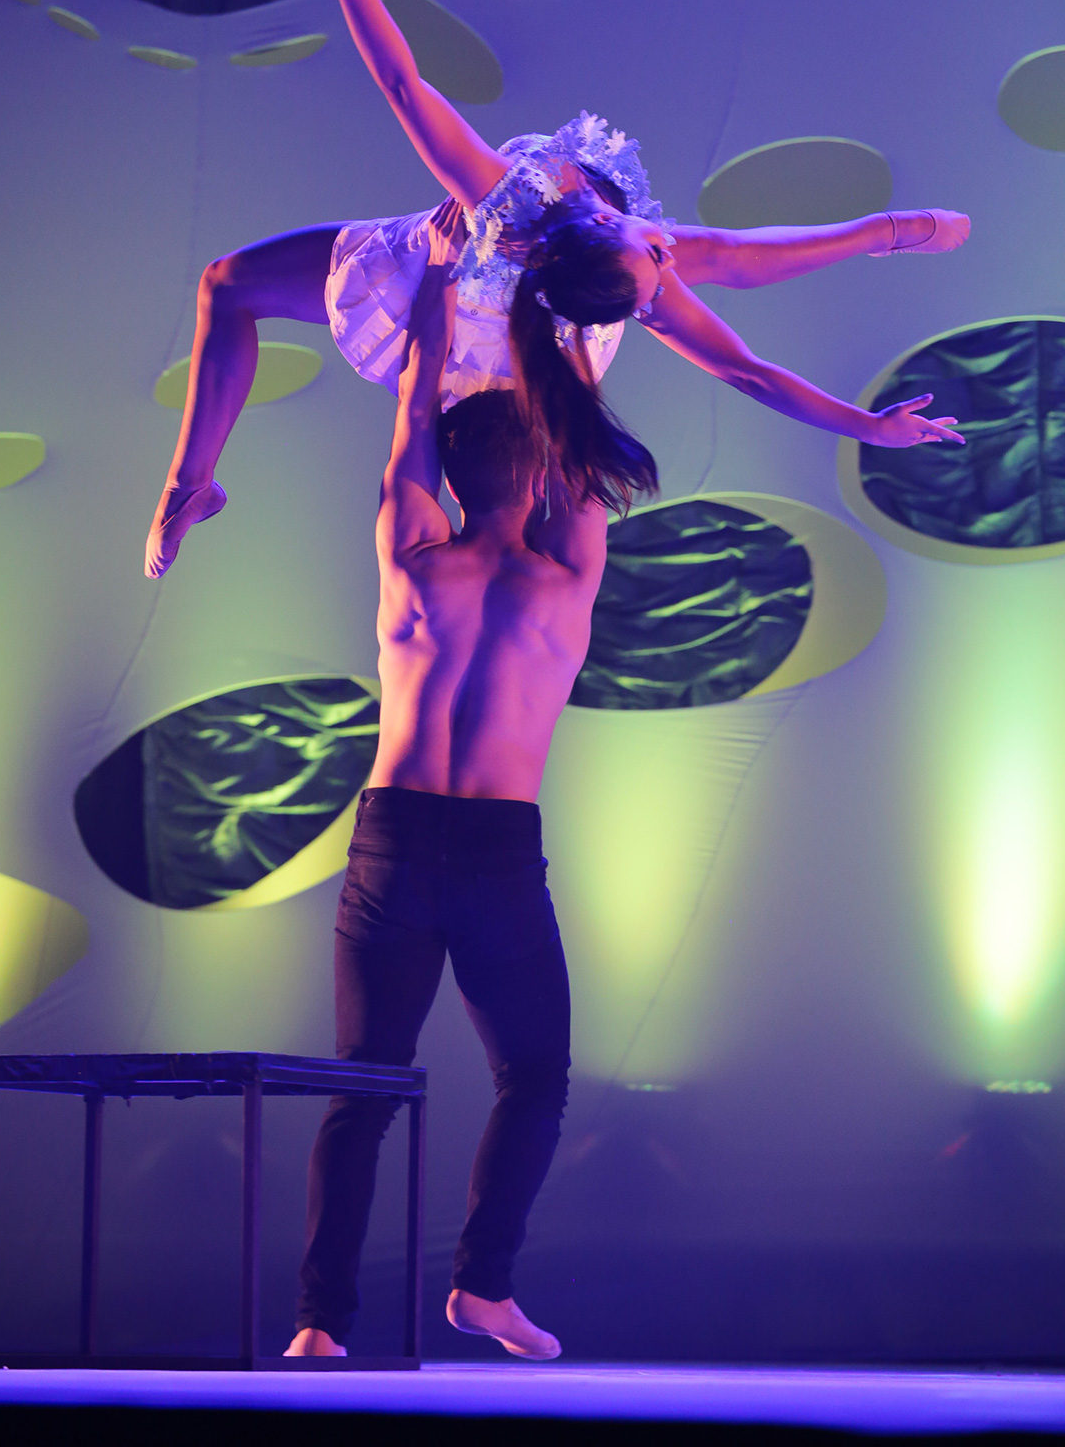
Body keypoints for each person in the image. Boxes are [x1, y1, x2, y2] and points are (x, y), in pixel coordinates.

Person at [282, 201, 959, 1363]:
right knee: (534, 1079)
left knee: (365, 1088)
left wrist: (440, 279)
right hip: (493, 851)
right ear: (552, 470)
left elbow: (412, 407)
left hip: (391, 842)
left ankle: (317, 1325)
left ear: (450, 473)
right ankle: (479, 1286)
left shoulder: (410, 558)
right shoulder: (563, 582)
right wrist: (582, 321)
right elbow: (577, 438)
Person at [145, 0, 967, 575]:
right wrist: (883, 270)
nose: (665, 248)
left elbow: (404, 86)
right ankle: (191, 486)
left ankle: (190, 485)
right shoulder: (611, 258)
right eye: (655, 257)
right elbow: (744, 329)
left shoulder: (506, 200)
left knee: (227, 285)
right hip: (505, 306)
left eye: (650, 255)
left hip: (446, 291)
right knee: (226, 286)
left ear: (600, 231)